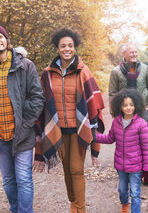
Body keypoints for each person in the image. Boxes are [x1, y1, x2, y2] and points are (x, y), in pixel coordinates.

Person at [0, 24, 45, 213]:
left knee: (23, 178)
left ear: (7, 40)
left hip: (22, 134)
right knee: (8, 180)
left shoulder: (25, 65)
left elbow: (38, 97)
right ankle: (16, 210)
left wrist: (26, 121)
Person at [33, 28, 105, 213]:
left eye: (70, 46)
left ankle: (80, 210)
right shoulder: (48, 74)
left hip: (78, 128)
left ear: (75, 47)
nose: (67, 49)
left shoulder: (83, 71)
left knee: (76, 169)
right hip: (57, 129)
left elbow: (93, 102)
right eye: (63, 46)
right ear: (57, 48)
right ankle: (73, 203)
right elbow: (42, 102)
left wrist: (95, 131)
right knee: (66, 171)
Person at [92, 88, 148, 213]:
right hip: (121, 165)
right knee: (122, 190)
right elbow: (109, 138)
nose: (128, 108)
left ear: (136, 105)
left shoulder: (141, 124)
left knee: (135, 192)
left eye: (131, 104)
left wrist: (147, 168)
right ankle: (125, 204)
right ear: (120, 106)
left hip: (136, 166)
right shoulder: (116, 122)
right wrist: (94, 136)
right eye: (125, 105)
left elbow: (146, 148)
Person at [109, 43, 148, 127]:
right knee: (127, 138)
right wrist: (114, 112)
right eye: (131, 52)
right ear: (124, 54)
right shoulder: (115, 71)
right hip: (124, 111)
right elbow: (113, 93)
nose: (134, 54)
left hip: (143, 110)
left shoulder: (145, 68)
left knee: (143, 138)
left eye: (135, 52)